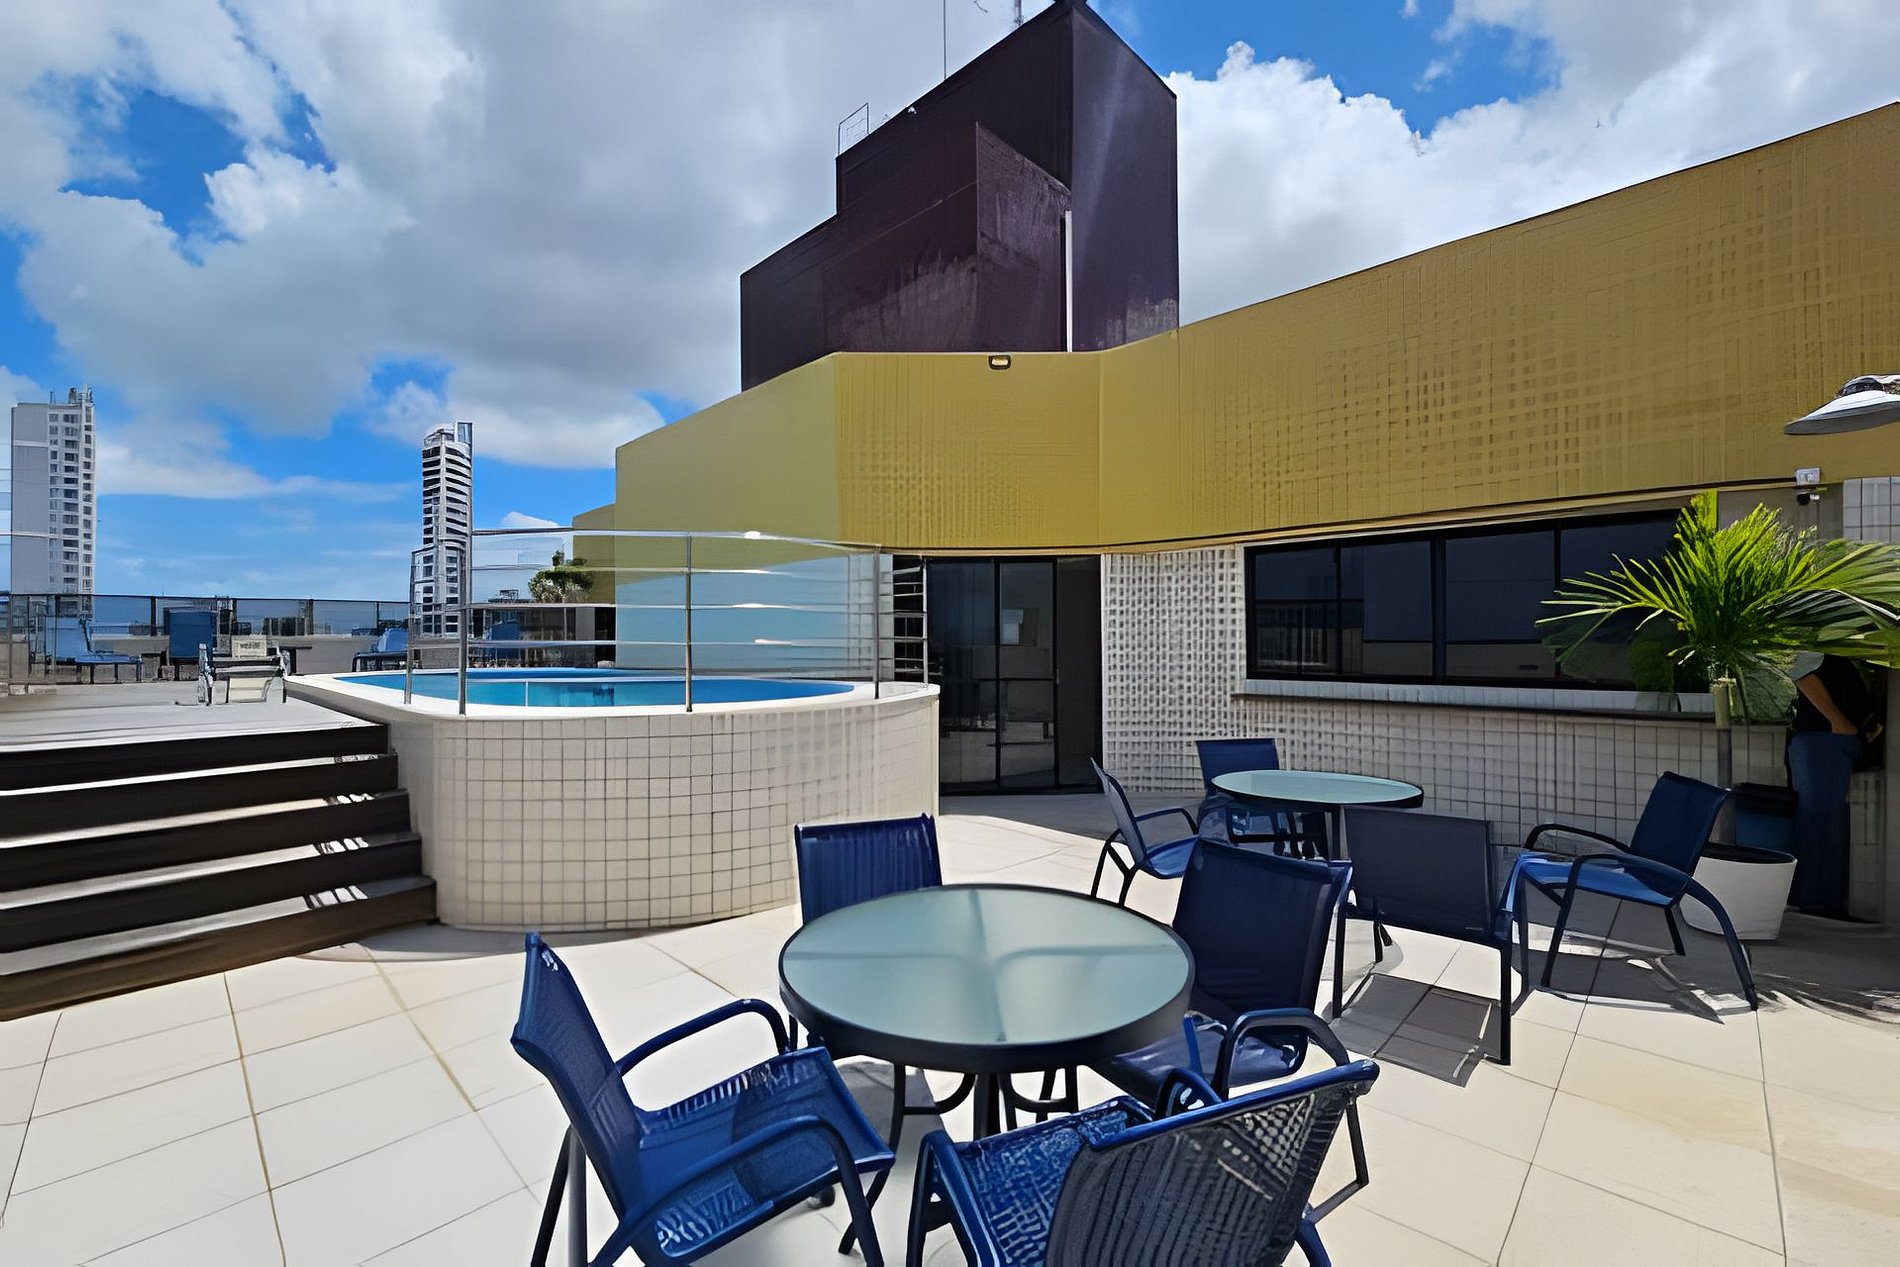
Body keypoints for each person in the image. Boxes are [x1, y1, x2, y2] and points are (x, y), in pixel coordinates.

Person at [1785, 653, 1882, 917]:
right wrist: (1838, 721)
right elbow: (1802, 673)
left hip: (1830, 739)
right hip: (1822, 739)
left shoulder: (1829, 650)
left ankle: (1824, 899)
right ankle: (1817, 900)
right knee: (1821, 823)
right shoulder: (1811, 644)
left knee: (1827, 823)